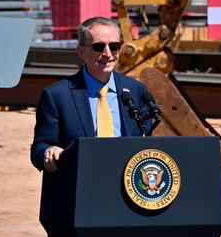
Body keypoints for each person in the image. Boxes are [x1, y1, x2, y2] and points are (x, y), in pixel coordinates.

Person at [30, 16, 151, 172]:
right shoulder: (56, 96)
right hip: (80, 183)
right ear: (81, 52)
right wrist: (49, 151)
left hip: (126, 184)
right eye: (99, 47)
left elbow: (146, 142)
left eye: (114, 46)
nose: (108, 54)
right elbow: (39, 148)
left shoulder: (136, 90)